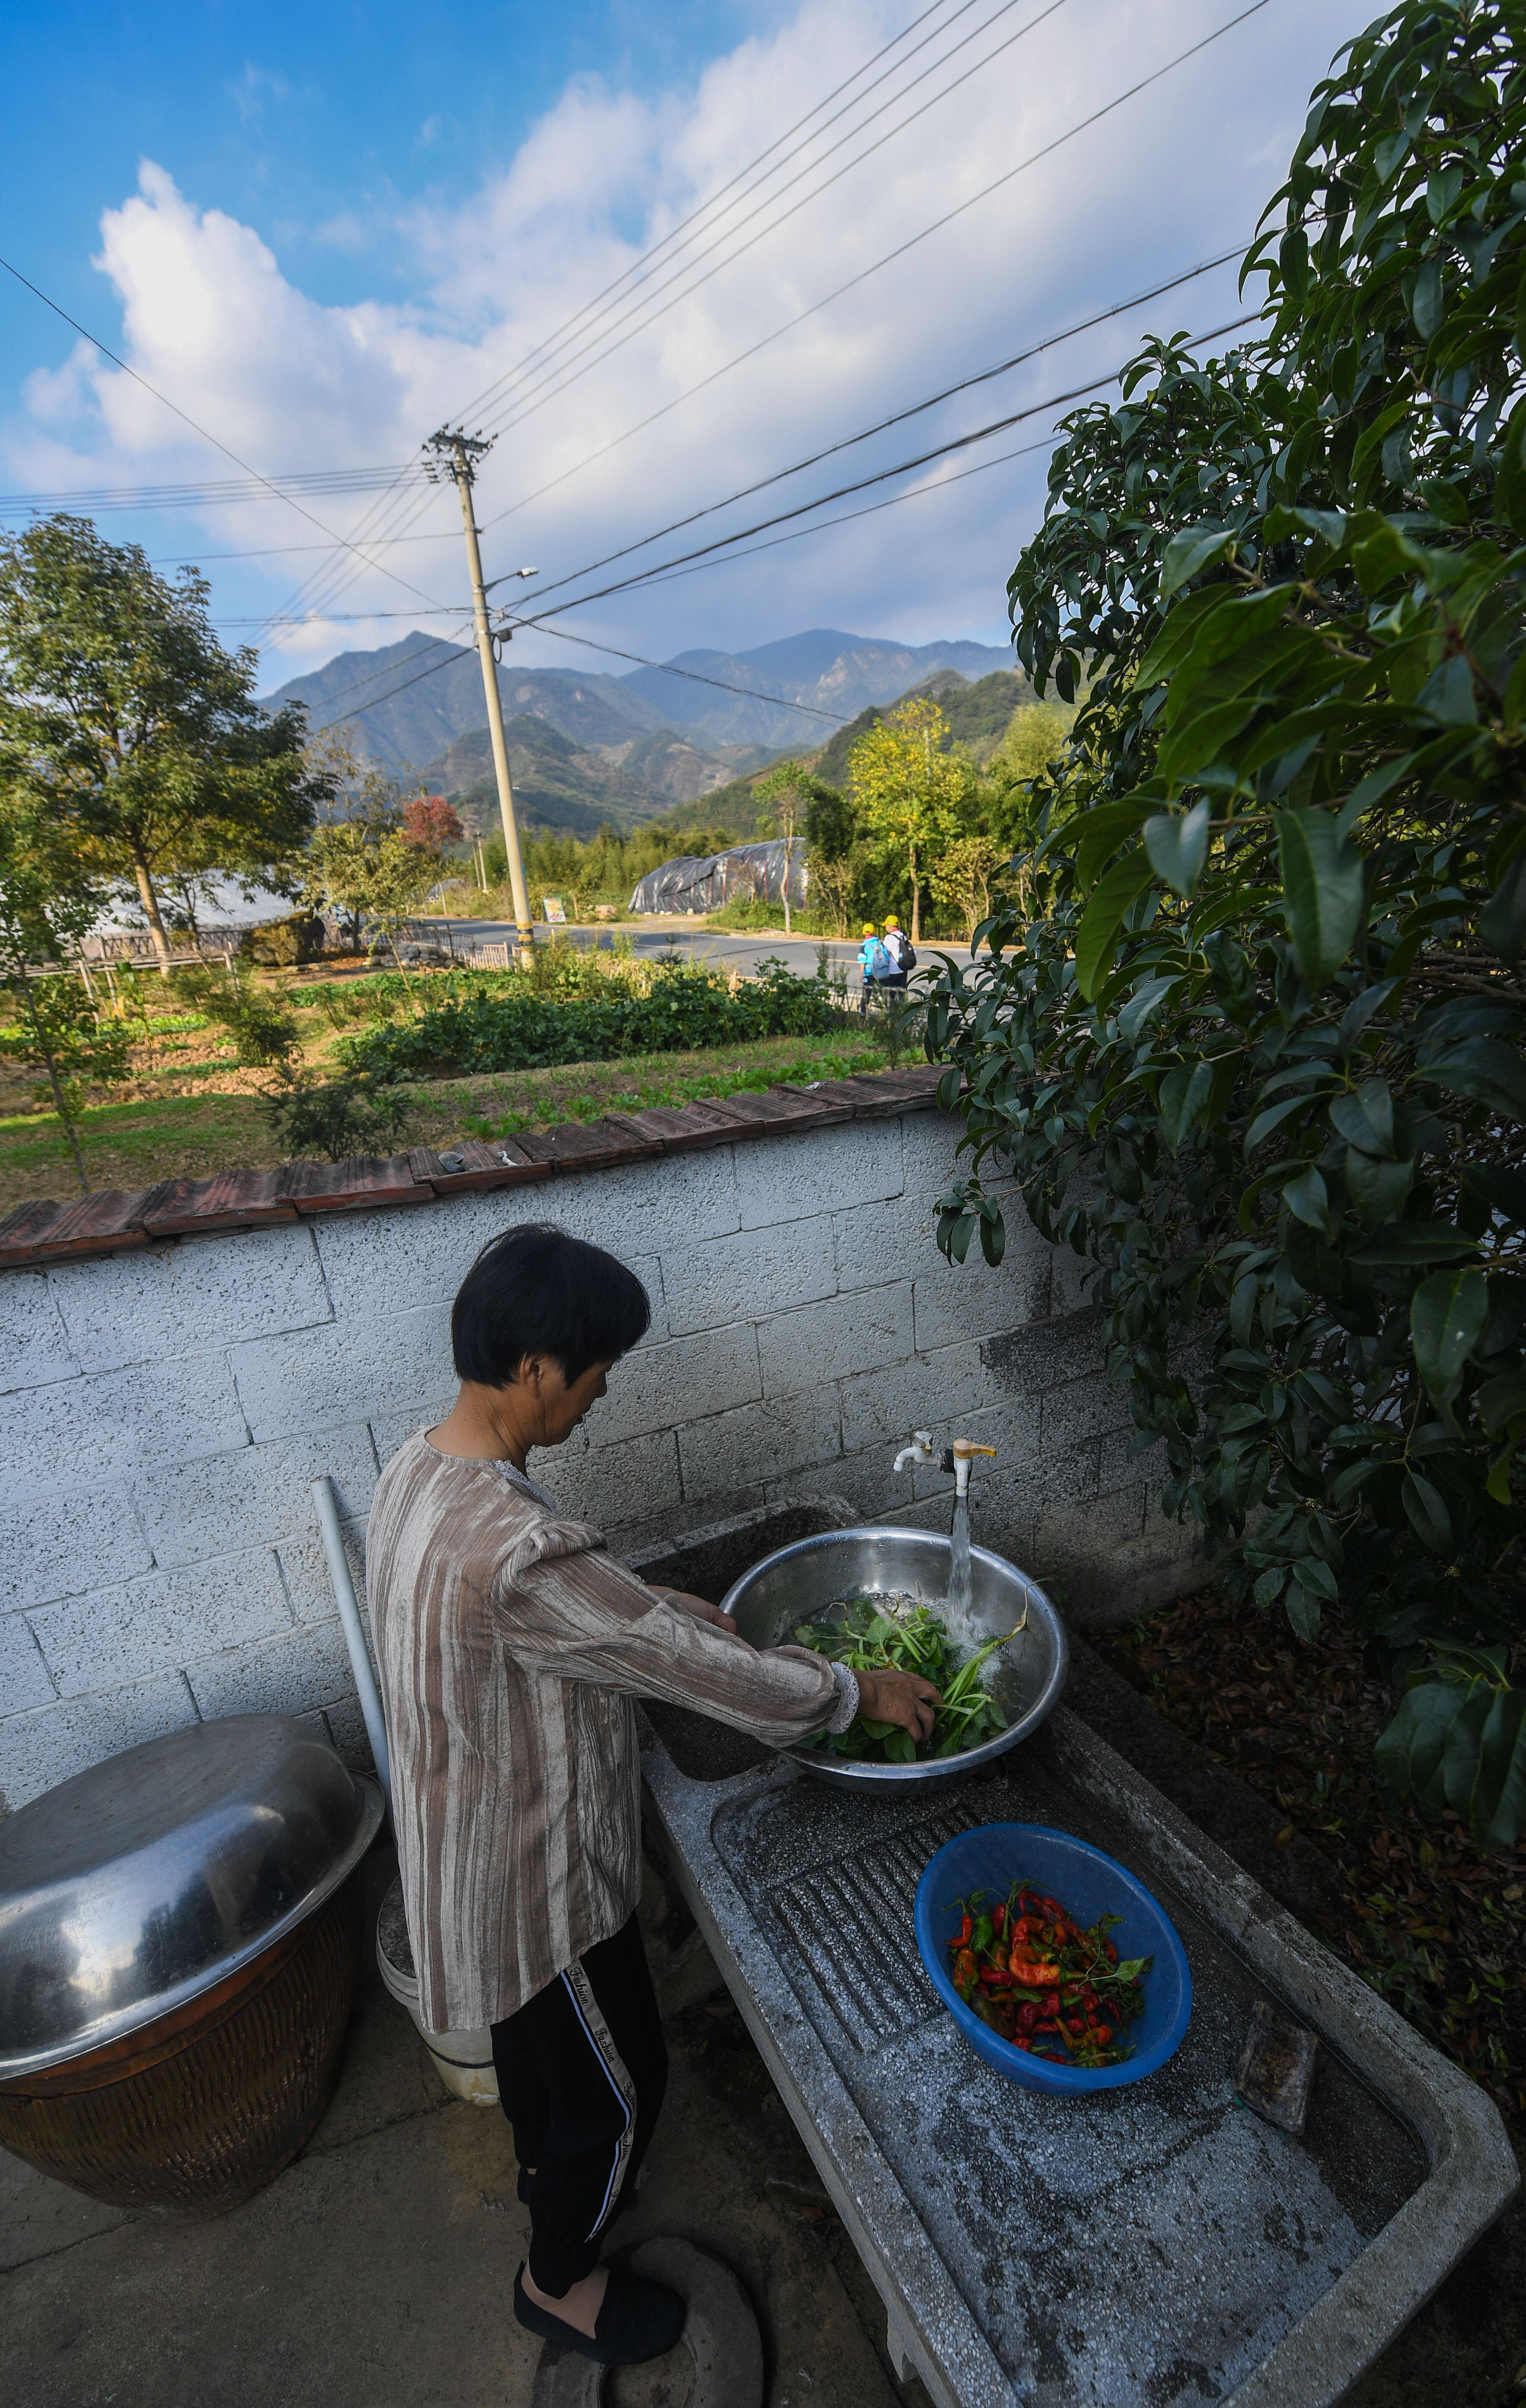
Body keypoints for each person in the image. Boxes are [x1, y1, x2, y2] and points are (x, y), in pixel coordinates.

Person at [365, 1225, 939, 2370]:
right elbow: (699, 1674)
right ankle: (557, 2280)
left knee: (543, 2073)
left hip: (459, 1849)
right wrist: (849, 1690)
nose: (605, 1388)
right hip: (536, 1889)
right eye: (595, 1367)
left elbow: (579, 1608)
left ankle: (546, 2170)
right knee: (623, 2087)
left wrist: (651, 1598)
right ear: (534, 1367)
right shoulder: (517, 1554)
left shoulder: (422, 1469)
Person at [857, 919, 890, 1013]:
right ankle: (888, 1011)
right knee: (884, 992)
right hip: (881, 971)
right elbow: (887, 957)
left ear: (864, 933)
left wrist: (862, 974)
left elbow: (862, 961)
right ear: (874, 932)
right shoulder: (880, 943)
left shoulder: (864, 945)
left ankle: (864, 1012)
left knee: (867, 993)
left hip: (869, 972)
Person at [880, 914, 915, 989]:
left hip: (893, 970)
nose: (886, 928)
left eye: (886, 926)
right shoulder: (903, 935)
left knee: (891, 994)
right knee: (901, 993)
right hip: (903, 968)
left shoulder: (889, 938)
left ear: (890, 926)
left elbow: (887, 955)